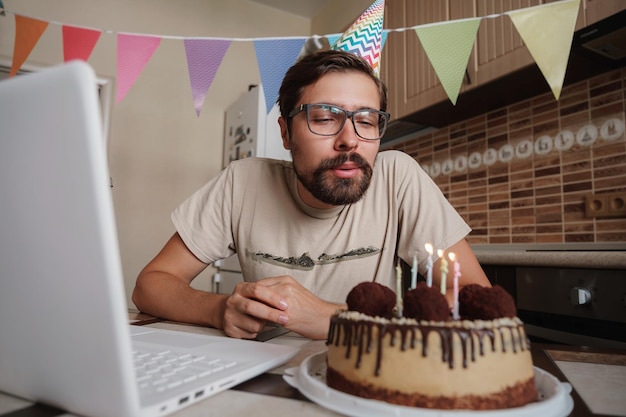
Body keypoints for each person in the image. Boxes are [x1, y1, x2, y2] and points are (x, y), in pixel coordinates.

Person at [132, 50, 491, 340]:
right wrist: (218, 309)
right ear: (286, 133)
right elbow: (150, 285)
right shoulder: (242, 184)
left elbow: (476, 299)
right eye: (323, 117)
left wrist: (335, 319)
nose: (350, 139)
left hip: (366, 373)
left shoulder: (398, 177)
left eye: (366, 121)